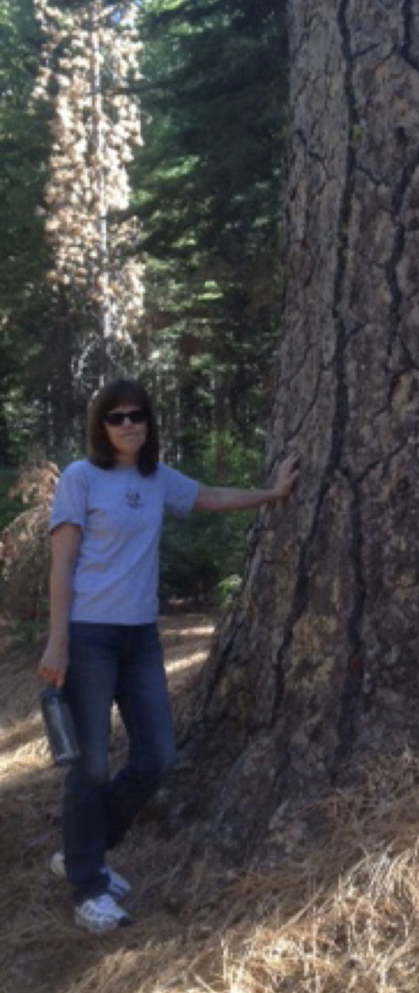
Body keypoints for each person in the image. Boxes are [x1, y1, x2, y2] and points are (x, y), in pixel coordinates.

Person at [37, 377, 300, 933]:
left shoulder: (157, 479)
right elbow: (61, 565)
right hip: (88, 636)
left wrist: (272, 495)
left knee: (156, 756)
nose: (129, 424)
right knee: (90, 766)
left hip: (140, 638)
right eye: (116, 417)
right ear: (100, 426)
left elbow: (211, 496)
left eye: (137, 415)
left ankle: (81, 851)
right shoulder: (81, 479)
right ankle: (88, 885)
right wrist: (57, 641)